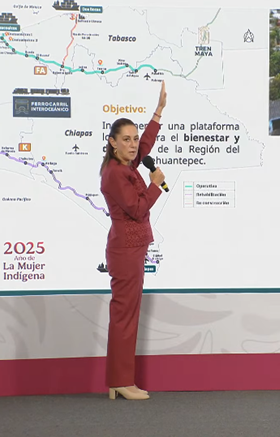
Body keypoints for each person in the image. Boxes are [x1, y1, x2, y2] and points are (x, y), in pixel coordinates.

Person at [100, 80, 167, 401]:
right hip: (125, 251)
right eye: (125, 139)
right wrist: (155, 185)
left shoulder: (125, 165)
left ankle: (121, 380)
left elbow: (144, 147)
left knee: (127, 316)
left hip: (131, 249)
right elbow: (138, 208)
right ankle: (121, 381)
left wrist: (158, 111)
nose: (133, 145)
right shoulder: (115, 173)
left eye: (135, 138)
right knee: (125, 317)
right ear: (112, 143)